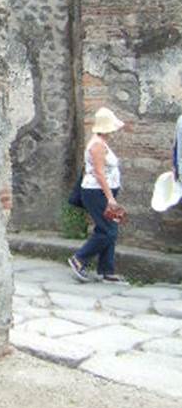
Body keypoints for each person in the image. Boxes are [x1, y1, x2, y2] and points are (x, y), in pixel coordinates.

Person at [68, 107, 127, 283]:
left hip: (102, 191)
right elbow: (99, 173)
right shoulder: (97, 146)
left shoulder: (101, 142)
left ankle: (106, 271)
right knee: (107, 231)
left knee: (110, 230)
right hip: (97, 193)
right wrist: (110, 198)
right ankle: (79, 259)